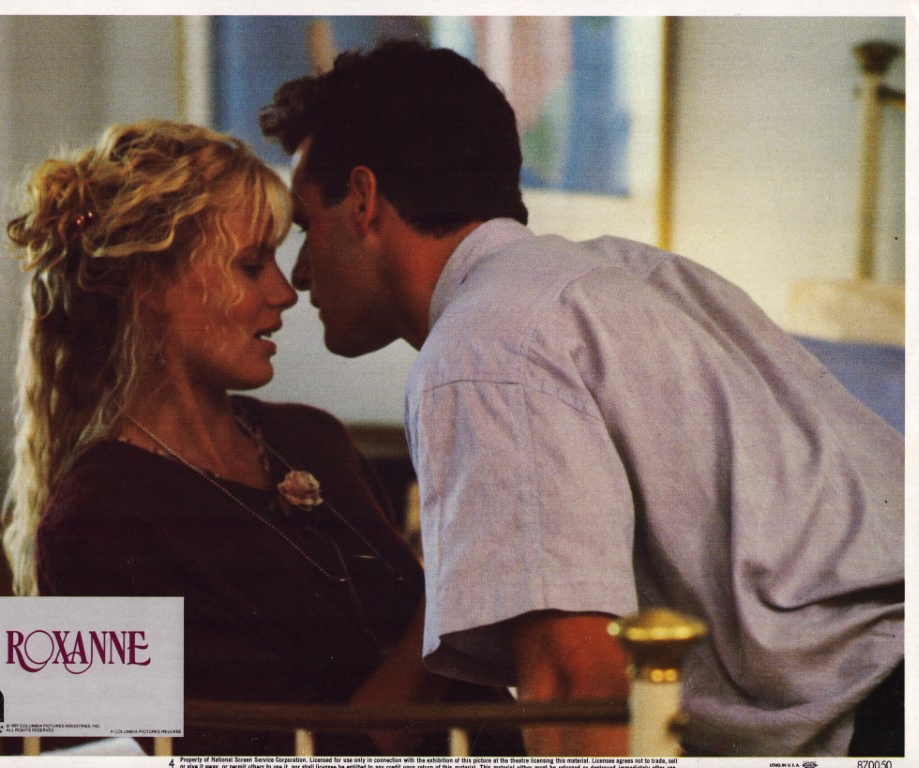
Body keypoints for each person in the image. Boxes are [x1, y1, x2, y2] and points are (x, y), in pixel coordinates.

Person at [259, 41, 905, 757]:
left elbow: (576, 690)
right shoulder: (629, 274)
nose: (299, 274)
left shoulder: (481, 348)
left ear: (362, 200)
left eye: (305, 228)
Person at [1, 119, 522, 757]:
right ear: (150, 283)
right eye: (251, 266)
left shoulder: (312, 437)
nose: (284, 292)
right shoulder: (92, 522)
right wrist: (454, 582)